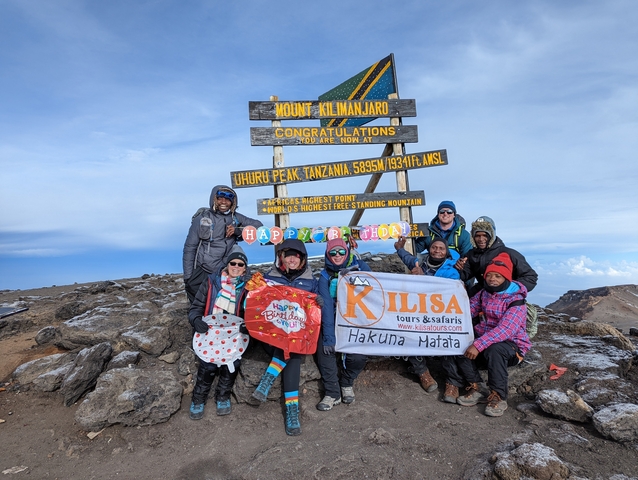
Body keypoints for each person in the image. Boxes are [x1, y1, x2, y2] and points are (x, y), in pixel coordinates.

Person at [247, 238, 319, 436]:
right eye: (288, 255)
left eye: (296, 256)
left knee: (292, 349)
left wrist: (318, 301)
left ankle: (274, 388)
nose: (292, 259)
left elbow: (314, 311)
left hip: (296, 334)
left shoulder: (311, 281)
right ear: (281, 258)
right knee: (289, 348)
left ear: (302, 258)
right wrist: (254, 288)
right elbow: (257, 302)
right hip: (271, 333)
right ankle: (291, 409)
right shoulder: (270, 278)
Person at [446, 253, 531, 416]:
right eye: (489, 275)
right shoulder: (485, 292)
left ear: (506, 278)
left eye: (498, 276)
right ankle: (476, 386)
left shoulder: (516, 301)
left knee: (495, 350)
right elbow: (468, 310)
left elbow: (505, 330)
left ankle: (498, 396)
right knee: (459, 343)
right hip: (485, 340)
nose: (492, 279)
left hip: (511, 346)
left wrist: (477, 345)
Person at [187, 245, 250, 419]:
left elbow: (252, 313)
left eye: (240, 264)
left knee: (232, 364)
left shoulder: (248, 288)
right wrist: (196, 321)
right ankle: (198, 399)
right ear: (227, 264)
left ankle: (223, 396)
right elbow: (195, 308)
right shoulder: (210, 282)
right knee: (207, 364)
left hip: (234, 334)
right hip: (211, 332)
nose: (236, 267)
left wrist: (248, 326)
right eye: (233, 263)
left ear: (245, 268)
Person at [393, 236, 460, 392]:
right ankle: (423, 372)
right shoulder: (421, 263)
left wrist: (424, 278)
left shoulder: (452, 270)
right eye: (434, 247)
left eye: (441, 248)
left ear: (446, 251)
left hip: (443, 317)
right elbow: (409, 259)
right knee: (407, 334)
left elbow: (447, 290)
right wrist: (399, 249)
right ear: (429, 249)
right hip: (420, 313)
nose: (437, 250)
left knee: (448, 342)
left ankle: (452, 382)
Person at [316, 238, 371, 411]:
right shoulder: (324, 275)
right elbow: (325, 306)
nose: (337, 255)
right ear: (327, 254)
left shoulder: (361, 267)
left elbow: (374, 290)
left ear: (347, 252)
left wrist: (352, 278)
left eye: (341, 251)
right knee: (323, 351)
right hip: (334, 319)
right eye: (333, 252)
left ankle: (347, 383)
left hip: (358, 320)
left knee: (359, 355)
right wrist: (329, 337)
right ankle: (332, 392)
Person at [183, 185, 262, 304]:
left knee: (223, 309)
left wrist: (238, 230)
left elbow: (258, 226)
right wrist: (188, 277)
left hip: (225, 272)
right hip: (202, 271)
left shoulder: (235, 218)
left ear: (233, 202)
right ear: (214, 199)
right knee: (200, 308)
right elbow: (190, 248)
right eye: (220, 198)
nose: (224, 202)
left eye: (228, 198)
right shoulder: (202, 219)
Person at [456, 216, 538, 297]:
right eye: (477, 235)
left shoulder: (509, 254)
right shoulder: (471, 254)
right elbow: (465, 275)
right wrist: (459, 268)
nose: (481, 239)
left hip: (507, 298)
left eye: (485, 235)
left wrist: (510, 288)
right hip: (483, 292)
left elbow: (531, 277)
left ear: (492, 235)